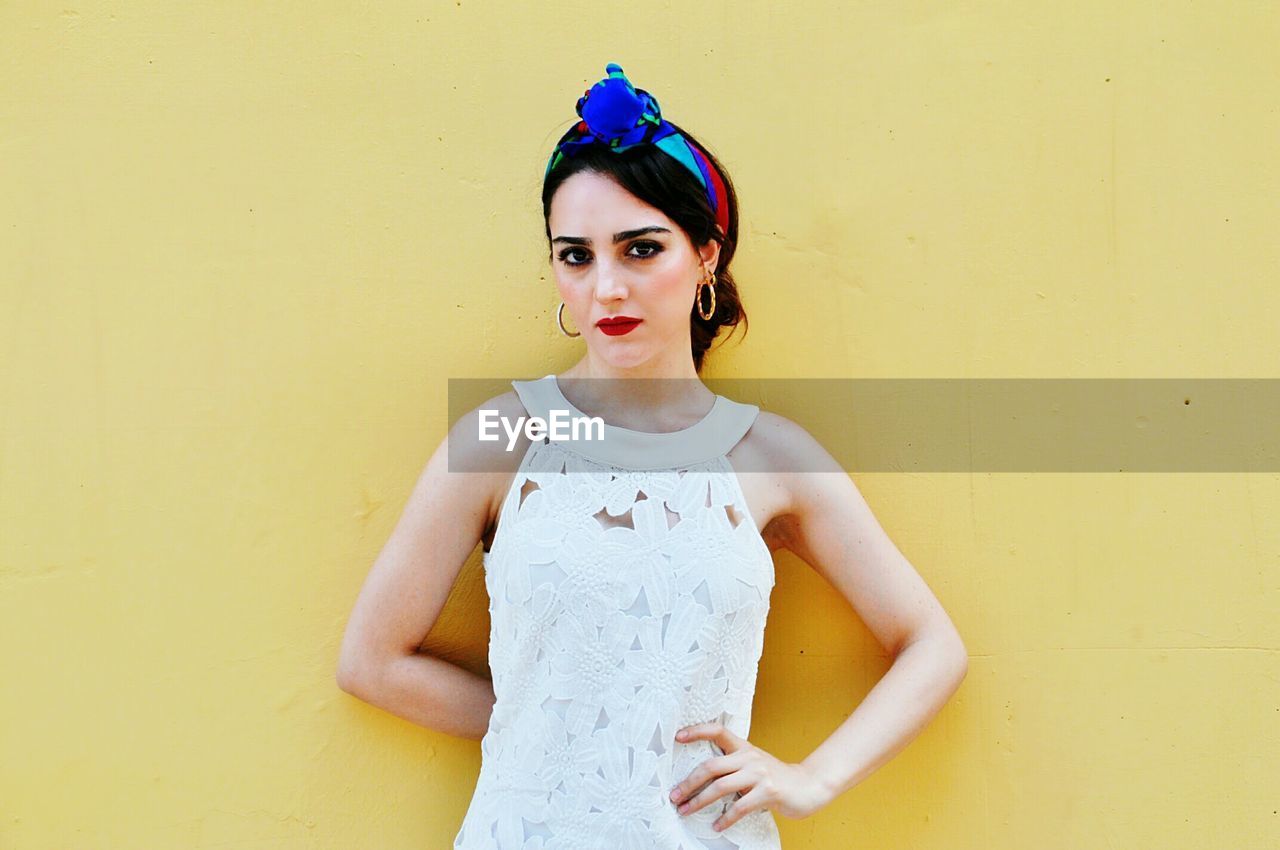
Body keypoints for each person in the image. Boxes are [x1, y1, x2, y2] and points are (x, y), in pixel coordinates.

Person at [337, 63, 968, 849]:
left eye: (640, 249)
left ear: (706, 255)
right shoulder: (502, 439)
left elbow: (933, 646)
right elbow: (372, 662)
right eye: (576, 255)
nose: (606, 287)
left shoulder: (769, 456)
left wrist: (813, 778)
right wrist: (564, 722)